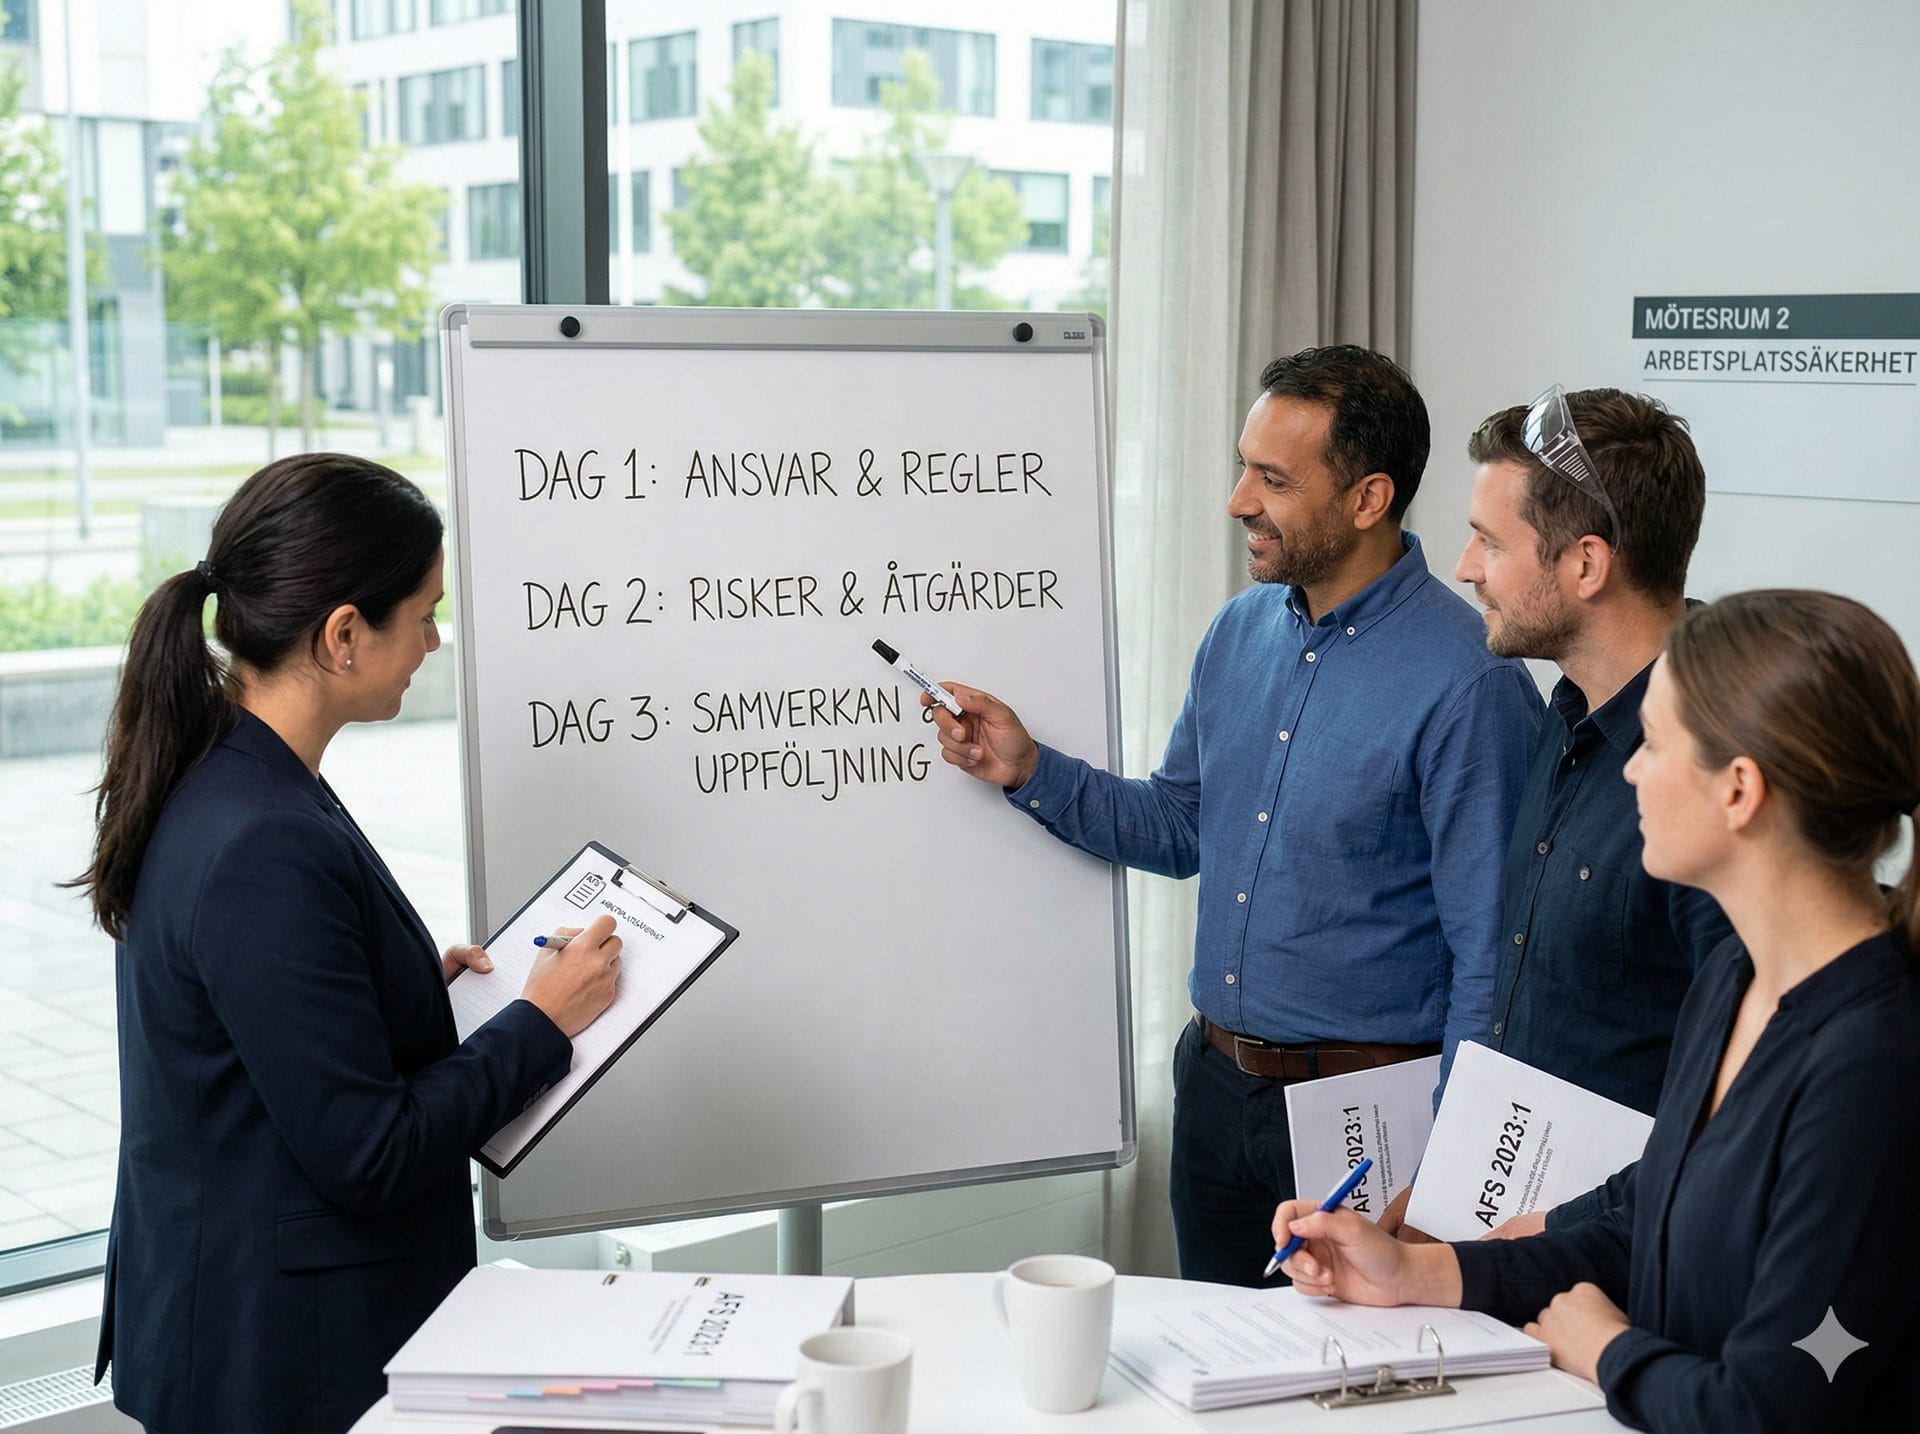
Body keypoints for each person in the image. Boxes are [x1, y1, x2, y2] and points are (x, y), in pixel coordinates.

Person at [927, 345, 1543, 1284]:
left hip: (1369, 1120)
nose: (1237, 502)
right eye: (1242, 468)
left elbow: (1490, 959)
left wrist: (1451, 1170)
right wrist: (1028, 770)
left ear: (1369, 499)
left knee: (1349, 1366)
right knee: (1209, 1354)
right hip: (1215, 1091)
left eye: (1274, 479)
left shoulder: (1470, 683)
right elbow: (1181, 827)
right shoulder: (1236, 632)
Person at [1271, 589, 1920, 1431]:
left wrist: (1608, 1349)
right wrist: (1413, 1274)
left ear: (1739, 791)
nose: (1632, 770)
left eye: (1654, 743)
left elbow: (1777, 1407)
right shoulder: (1733, 977)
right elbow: (1653, 1219)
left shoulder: (1875, 1059)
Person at [73, 454, 621, 1434]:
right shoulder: (264, 837)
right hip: (280, 1358)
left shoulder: (229, 774)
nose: (432, 642)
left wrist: (403, 994)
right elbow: (369, 1154)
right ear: (342, 635)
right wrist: (539, 1022)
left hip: (253, 1323)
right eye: (423, 615)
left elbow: (261, 1041)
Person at [1380, 386, 1734, 1240]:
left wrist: (1554, 1235)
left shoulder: (1716, 772)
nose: (1465, 566)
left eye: (1491, 541)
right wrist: (1448, 1189)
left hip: (1629, 1259)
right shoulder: (1565, 710)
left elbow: (1735, 1108)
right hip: (1512, 1226)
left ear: (1585, 565)